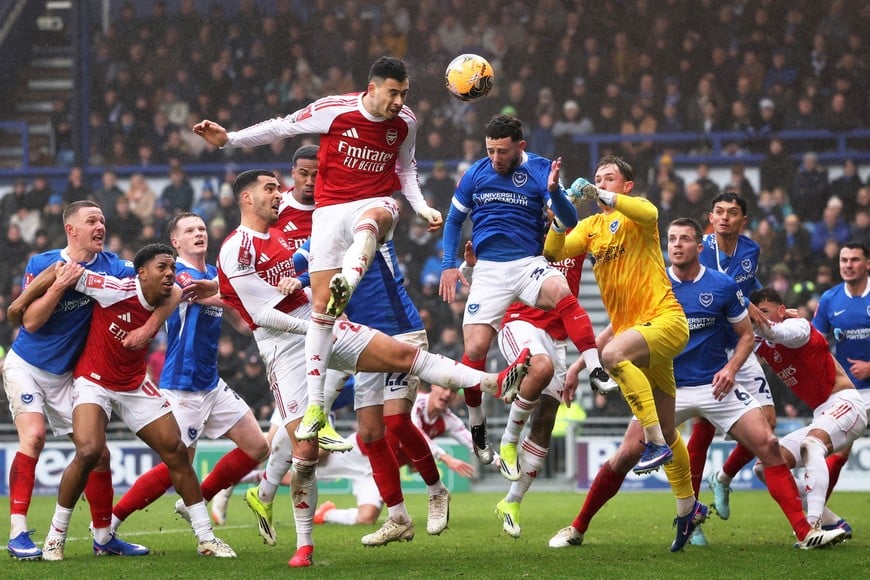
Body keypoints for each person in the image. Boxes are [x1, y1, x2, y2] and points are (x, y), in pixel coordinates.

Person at [216, 169, 529, 567]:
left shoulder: (329, 224)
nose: (281, 194)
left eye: (281, 187)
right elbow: (260, 312)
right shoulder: (237, 247)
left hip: (342, 325)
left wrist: (309, 298)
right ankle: (304, 542)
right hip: (289, 345)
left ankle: (495, 382)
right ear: (247, 198)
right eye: (271, 188)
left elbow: (302, 270)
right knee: (313, 447)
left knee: (399, 374)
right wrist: (307, 313)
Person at [548, 219, 847, 552]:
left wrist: (732, 369)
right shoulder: (652, 282)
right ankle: (576, 527)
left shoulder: (721, 285)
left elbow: (747, 335)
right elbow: (618, 329)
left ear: (699, 247)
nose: (677, 245)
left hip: (714, 384)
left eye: (685, 239)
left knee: (768, 443)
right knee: (625, 455)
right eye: (672, 239)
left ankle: (806, 532)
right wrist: (579, 365)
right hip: (667, 387)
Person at [193, 56, 444, 446]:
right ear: (372, 88)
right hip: (325, 234)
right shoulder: (334, 112)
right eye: (393, 93)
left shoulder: (406, 122)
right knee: (322, 315)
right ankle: (312, 413)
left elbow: (406, 169)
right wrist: (231, 139)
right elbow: (283, 125)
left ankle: (352, 275)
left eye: (404, 93)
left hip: (374, 206)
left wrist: (420, 205)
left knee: (374, 221)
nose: (398, 101)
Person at [39, 244, 236, 560]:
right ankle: (55, 537)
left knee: (177, 452)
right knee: (89, 451)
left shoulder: (171, 291)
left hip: (134, 384)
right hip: (94, 381)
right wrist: (21, 302)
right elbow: (60, 271)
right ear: (141, 272)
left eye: (172, 267)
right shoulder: (114, 288)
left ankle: (206, 538)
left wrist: (149, 327)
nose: (170, 273)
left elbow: (188, 293)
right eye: (162, 267)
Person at [438, 114, 614, 465]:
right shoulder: (475, 173)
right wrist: (447, 265)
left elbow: (570, 220)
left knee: (562, 291)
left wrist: (553, 192)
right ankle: (477, 426)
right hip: (488, 271)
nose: (496, 158)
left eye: (502, 151)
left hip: (527, 263)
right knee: (473, 351)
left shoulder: (541, 169)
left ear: (520, 146)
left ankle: (595, 368)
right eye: (490, 151)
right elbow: (455, 219)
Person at [3, 201, 169, 561]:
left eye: (103, 221)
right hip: (27, 366)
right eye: (91, 221)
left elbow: (158, 288)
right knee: (33, 437)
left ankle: (104, 537)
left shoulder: (115, 265)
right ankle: (18, 533)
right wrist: (58, 287)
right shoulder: (43, 263)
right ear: (71, 229)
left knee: (98, 454)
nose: (100, 227)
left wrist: (150, 325)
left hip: (67, 376)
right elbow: (30, 322)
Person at [543, 155, 695, 538]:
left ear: (626, 185)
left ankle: (653, 444)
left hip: (666, 321)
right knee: (669, 429)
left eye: (609, 178)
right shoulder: (591, 227)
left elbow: (650, 209)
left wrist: (604, 195)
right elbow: (553, 253)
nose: (599, 183)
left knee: (611, 356)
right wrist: (561, 209)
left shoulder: (637, 216)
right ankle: (687, 507)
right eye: (596, 178)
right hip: (637, 337)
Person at [108, 213, 270, 535]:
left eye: (202, 228)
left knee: (258, 446)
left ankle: (196, 499)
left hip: (210, 383)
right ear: (176, 242)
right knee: (175, 468)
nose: (199, 233)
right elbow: (205, 294)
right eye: (190, 230)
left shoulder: (213, 274)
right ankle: (112, 520)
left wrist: (244, 308)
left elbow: (238, 320)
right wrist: (238, 292)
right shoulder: (175, 275)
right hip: (182, 386)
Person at [688, 192, 775, 535]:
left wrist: (772, 309)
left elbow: (749, 284)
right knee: (704, 430)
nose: (724, 218)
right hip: (706, 347)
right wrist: (741, 301)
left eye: (732, 213)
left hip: (740, 344)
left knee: (766, 425)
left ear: (743, 220)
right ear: (711, 216)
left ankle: (722, 477)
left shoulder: (751, 251)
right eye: (719, 212)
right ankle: (690, 518)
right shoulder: (699, 248)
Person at [750, 287, 867, 538]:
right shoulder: (761, 343)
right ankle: (830, 521)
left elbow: (774, 330)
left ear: (782, 311)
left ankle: (811, 526)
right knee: (764, 465)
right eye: (755, 315)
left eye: (765, 313)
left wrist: (755, 319)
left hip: (847, 402)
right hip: (823, 413)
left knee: (812, 444)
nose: (759, 319)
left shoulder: (799, 327)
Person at [313, 384, 478, 527]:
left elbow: (474, 442)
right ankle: (290, 457)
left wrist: (499, 461)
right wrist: (446, 458)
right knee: (305, 469)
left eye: (454, 391)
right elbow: (416, 433)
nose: (448, 394)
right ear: (433, 386)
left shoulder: (448, 420)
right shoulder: (414, 403)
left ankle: (326, 514)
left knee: (367, 518)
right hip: (358, 452)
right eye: (444, 388)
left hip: (380, 469)